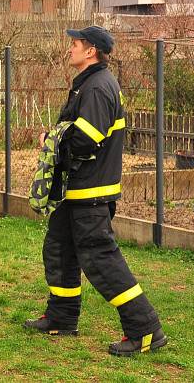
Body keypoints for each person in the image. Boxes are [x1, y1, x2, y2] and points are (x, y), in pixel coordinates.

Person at [24, 25, 167, 356]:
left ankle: (145, 330)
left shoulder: (99, 88)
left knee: (101, 262)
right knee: (59, 251)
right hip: (73, 193)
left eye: (75, 43)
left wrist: (52, 142)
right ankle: (61, 317)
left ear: (91, 51)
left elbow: (86, 139)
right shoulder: (87, 84)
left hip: (91, 194)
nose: (69, 48)